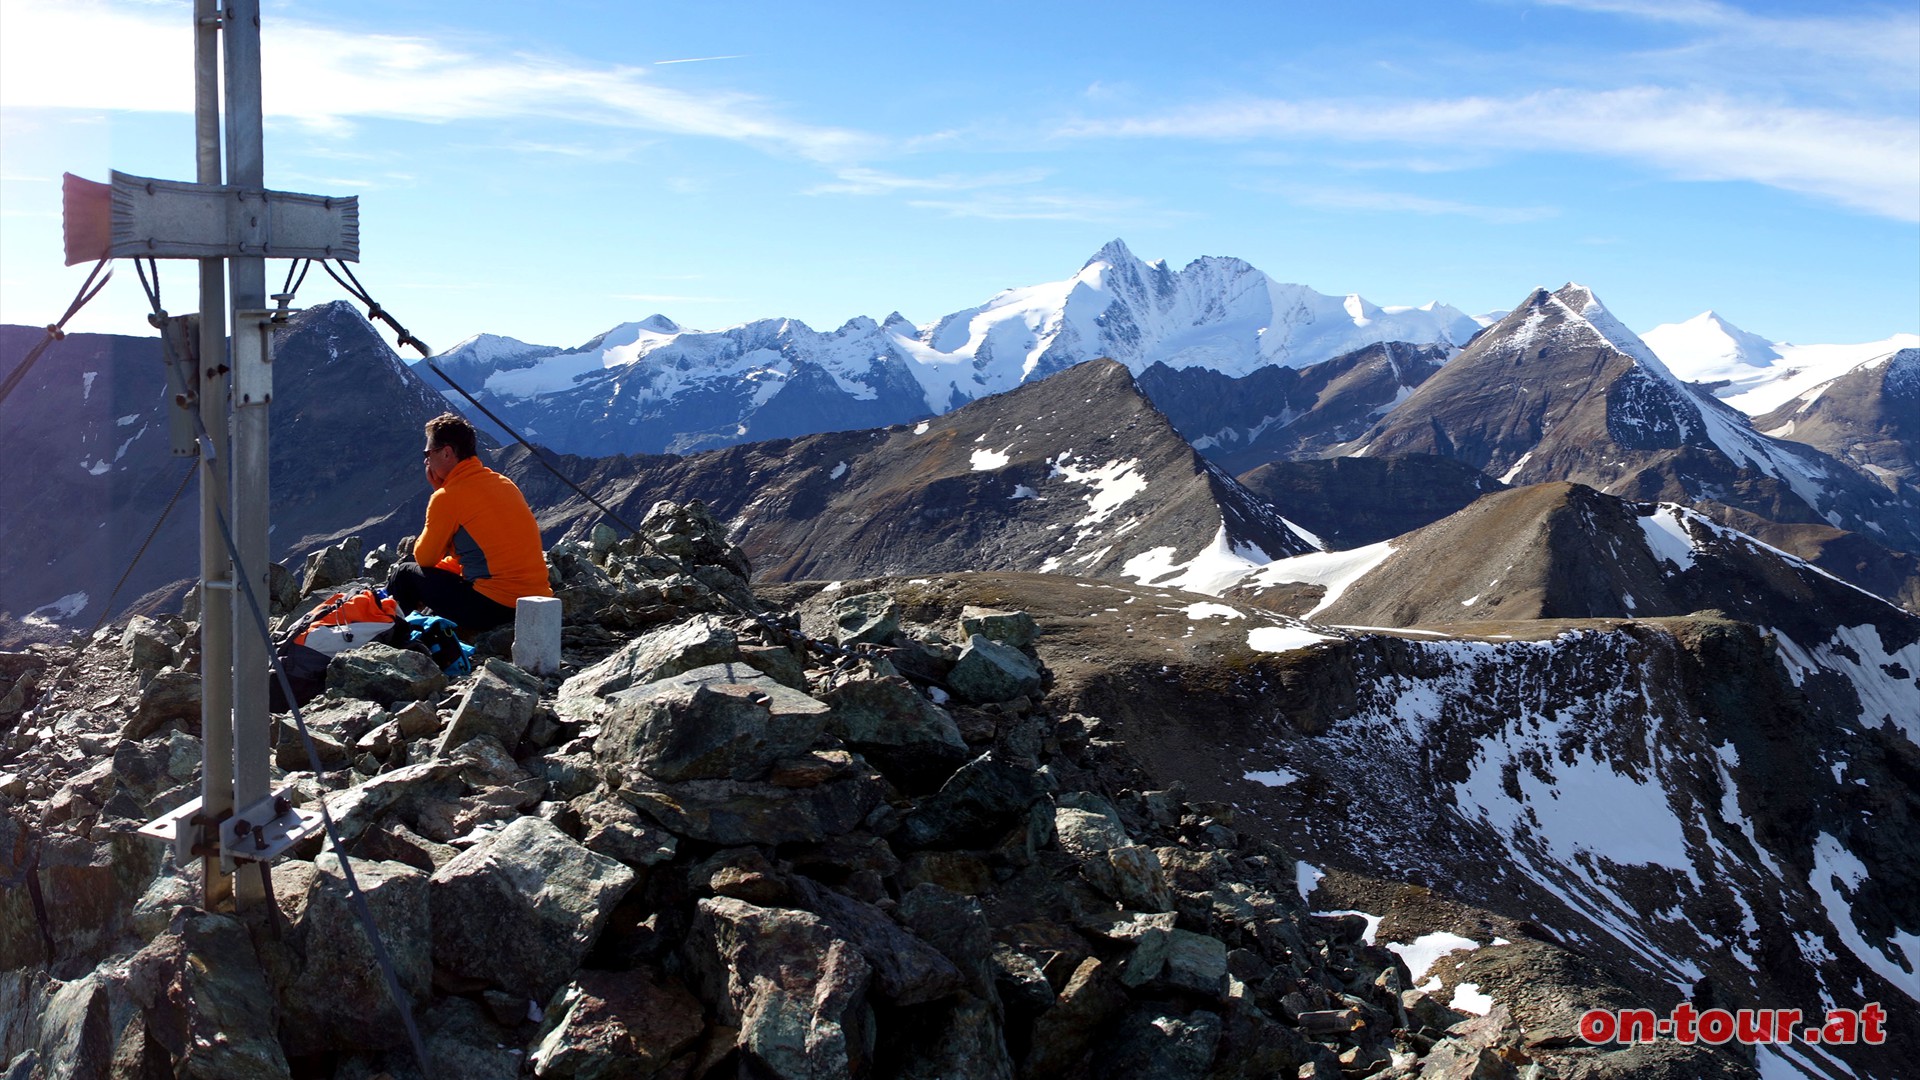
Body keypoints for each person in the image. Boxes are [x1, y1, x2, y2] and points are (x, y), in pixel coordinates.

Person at [387, 412, 551, 632]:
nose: (426, 461)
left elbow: (425, 558)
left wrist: (440, 492)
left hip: (494, 607)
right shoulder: (503, 482)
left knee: (405, 572)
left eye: (428, 453)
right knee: (427, 568)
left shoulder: (448, 497)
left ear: (446, 453)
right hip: (537, 603)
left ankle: (404, 640)